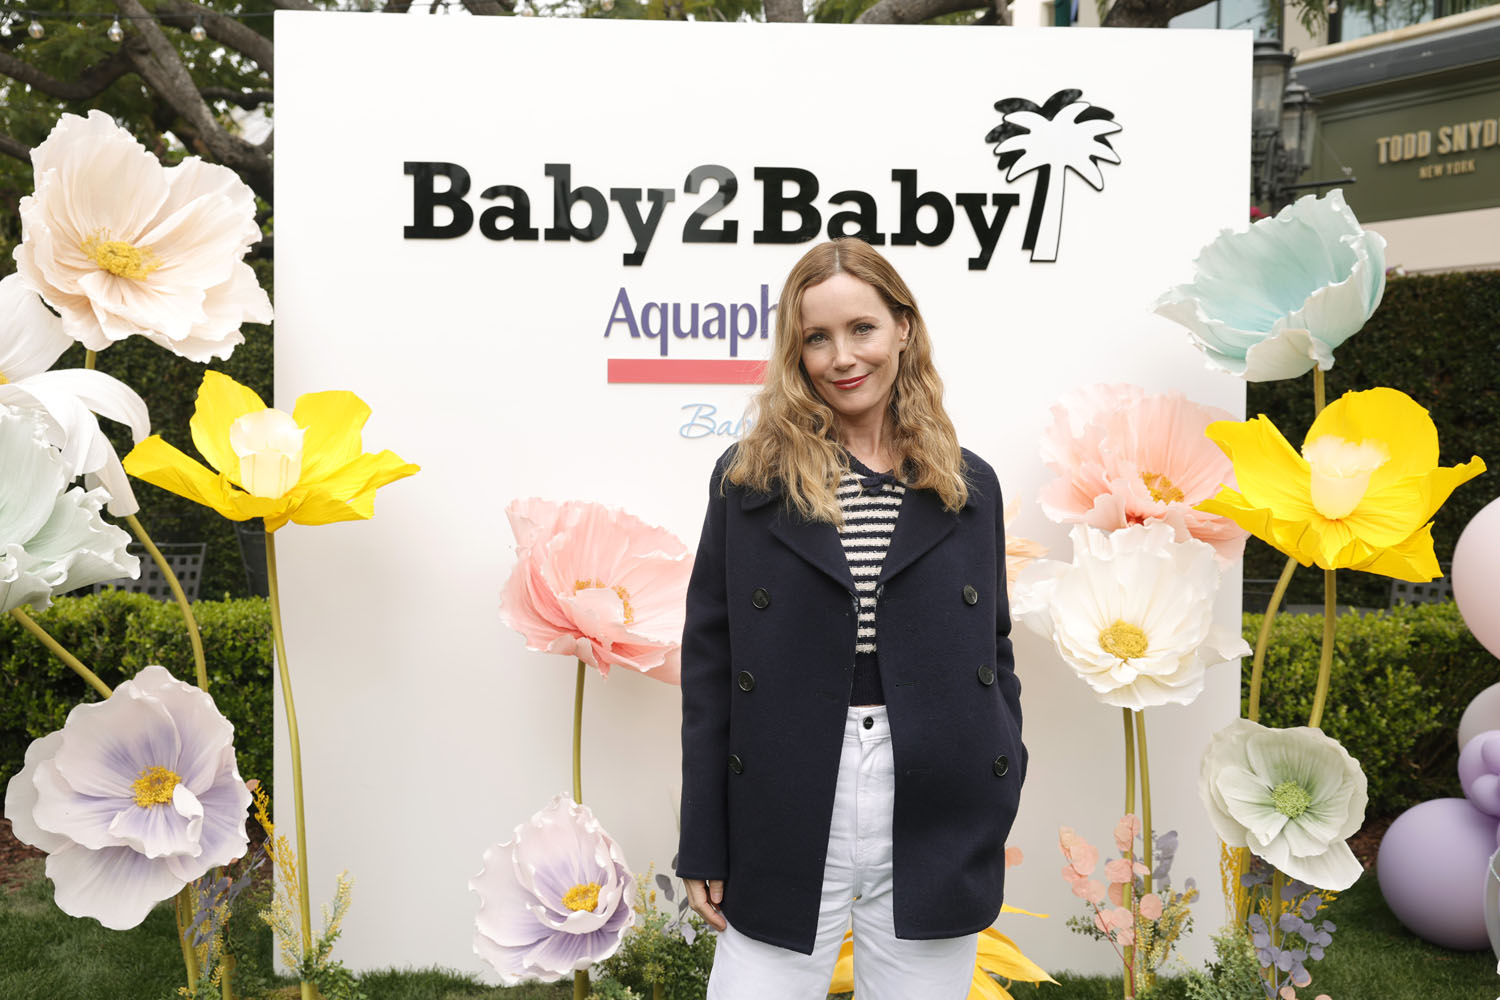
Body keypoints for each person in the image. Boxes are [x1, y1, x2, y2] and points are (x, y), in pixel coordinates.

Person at [676, 238, 1026, 1000]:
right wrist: (704, 835)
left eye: (861, 328)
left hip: (933, 792)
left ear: (904, 327)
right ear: (795, 352)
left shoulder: (968, 486)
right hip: (789, 783)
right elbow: (710, 661)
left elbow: (991, 650)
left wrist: (999, 775)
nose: (842, 356)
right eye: (817, 337)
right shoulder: (750, 480)